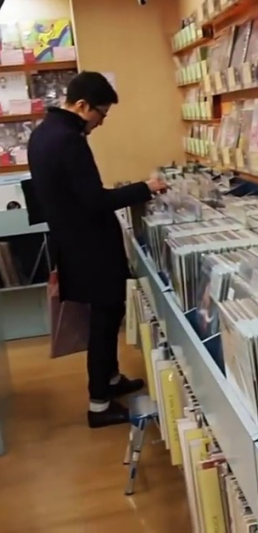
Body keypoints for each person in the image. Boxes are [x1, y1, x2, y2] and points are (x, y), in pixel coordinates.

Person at [27, 71, 168, 428]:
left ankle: (110, 380)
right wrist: (145, 188)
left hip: (72, 243)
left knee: (106, 316)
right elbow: (93, 200)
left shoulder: (43, 133)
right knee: (104, 323)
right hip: (90, 247)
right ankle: (99, 405)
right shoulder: (69, 139)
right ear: (81, 105)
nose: (101, 123)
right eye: (100, 114)